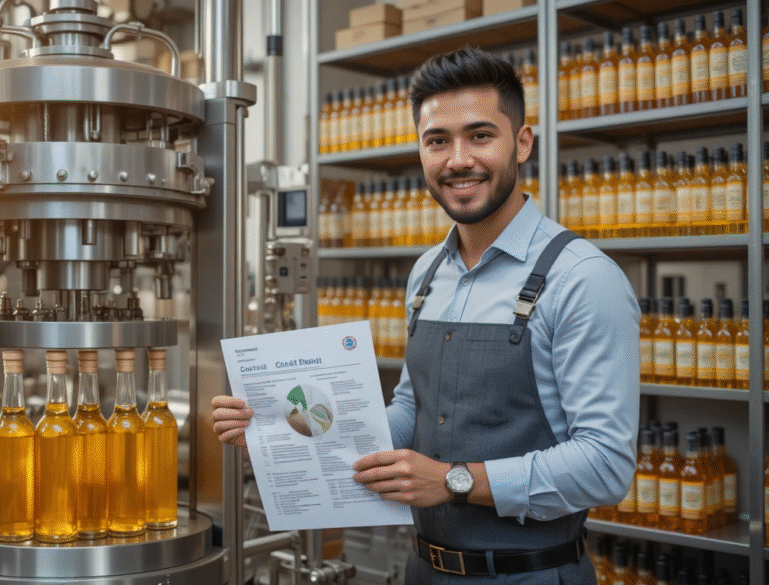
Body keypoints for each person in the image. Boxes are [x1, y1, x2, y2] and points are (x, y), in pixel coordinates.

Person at [212, 47, 639, 584]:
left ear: (522, 143)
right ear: (421, 151)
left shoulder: (582, 278)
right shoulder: (427, 274)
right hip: (425, 569)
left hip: (531, 573)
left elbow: (605, 466)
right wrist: (283, 425)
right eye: (438, 141)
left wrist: (454, 480)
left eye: (480, 135)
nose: (458, 159)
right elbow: (413, 412)